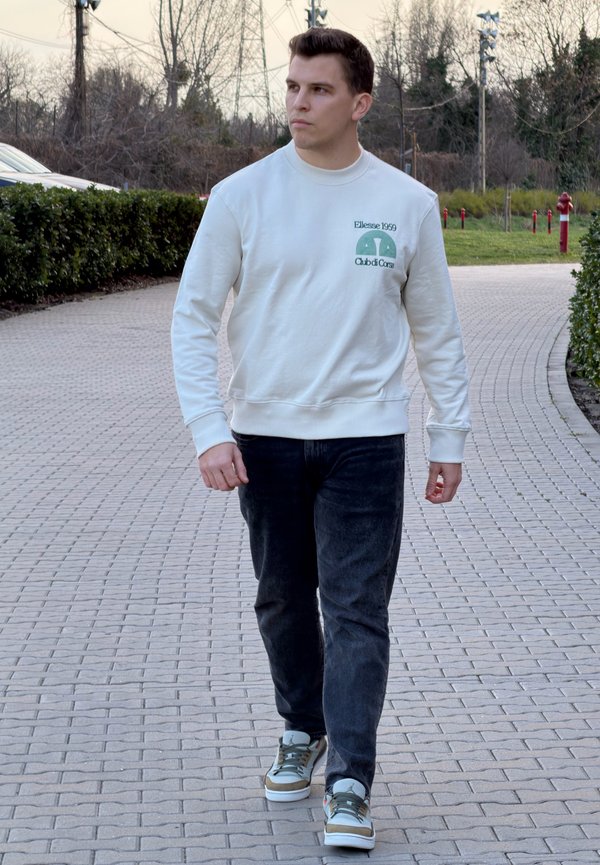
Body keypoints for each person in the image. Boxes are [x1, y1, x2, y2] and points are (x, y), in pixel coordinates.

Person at [171, 27, 470, 851]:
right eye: (293, 86)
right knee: (280, 599)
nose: (298, 102)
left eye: (319, 90)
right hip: (262, 437)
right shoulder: (242, 196)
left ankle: (350, 781)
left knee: (356, 610)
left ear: (360, 102)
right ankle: (301, 727)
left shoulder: (408, 206)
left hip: (366, 443)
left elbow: (437, 331)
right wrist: (208, 430)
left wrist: (450, 434)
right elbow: (192, 320)